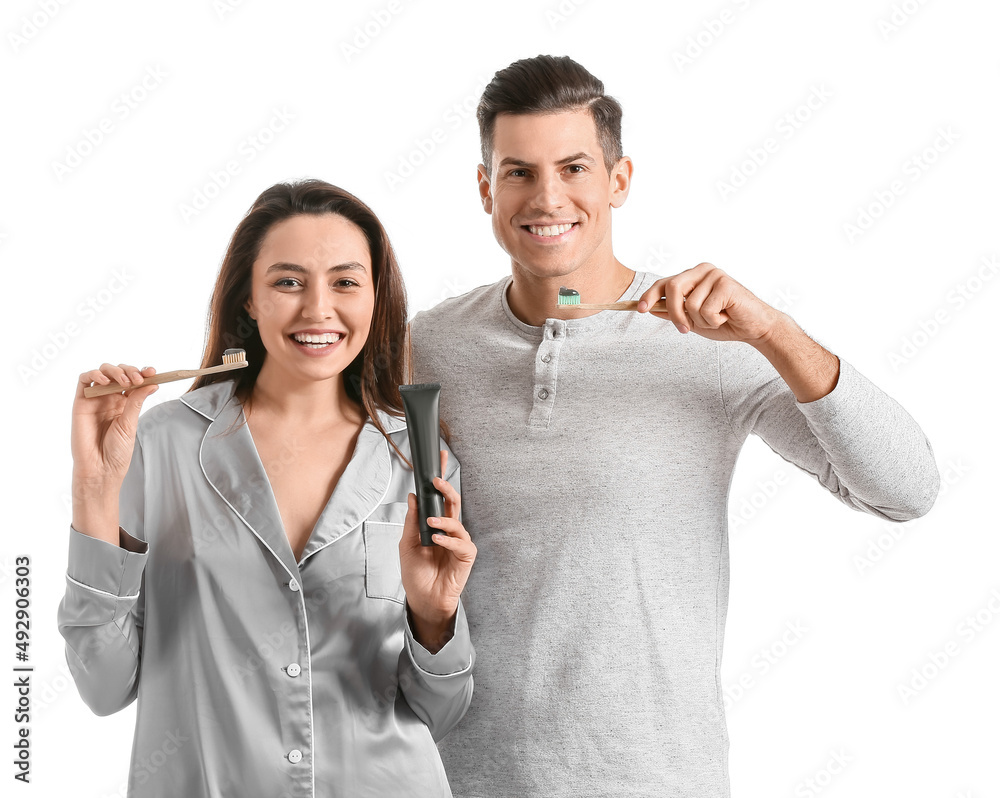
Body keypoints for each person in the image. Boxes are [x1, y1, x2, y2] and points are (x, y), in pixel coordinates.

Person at [408, 55, 940, 797]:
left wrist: (775, 333)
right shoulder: (428, 347)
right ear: (485, 188)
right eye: (519, 172)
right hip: (462, 780)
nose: (547, 197)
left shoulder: (711, 342)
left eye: (574, 168)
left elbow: (906, 489)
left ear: (618, 181)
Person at [58, 180, 477, 797]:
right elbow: (103, 687)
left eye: (345, 282)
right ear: (249, 300)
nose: (317, 310)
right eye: (287, 282)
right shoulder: (165, 442)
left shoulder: (415, 454)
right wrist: (93, 491)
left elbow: (440, 711)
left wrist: (435, 615)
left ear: (375, 299)